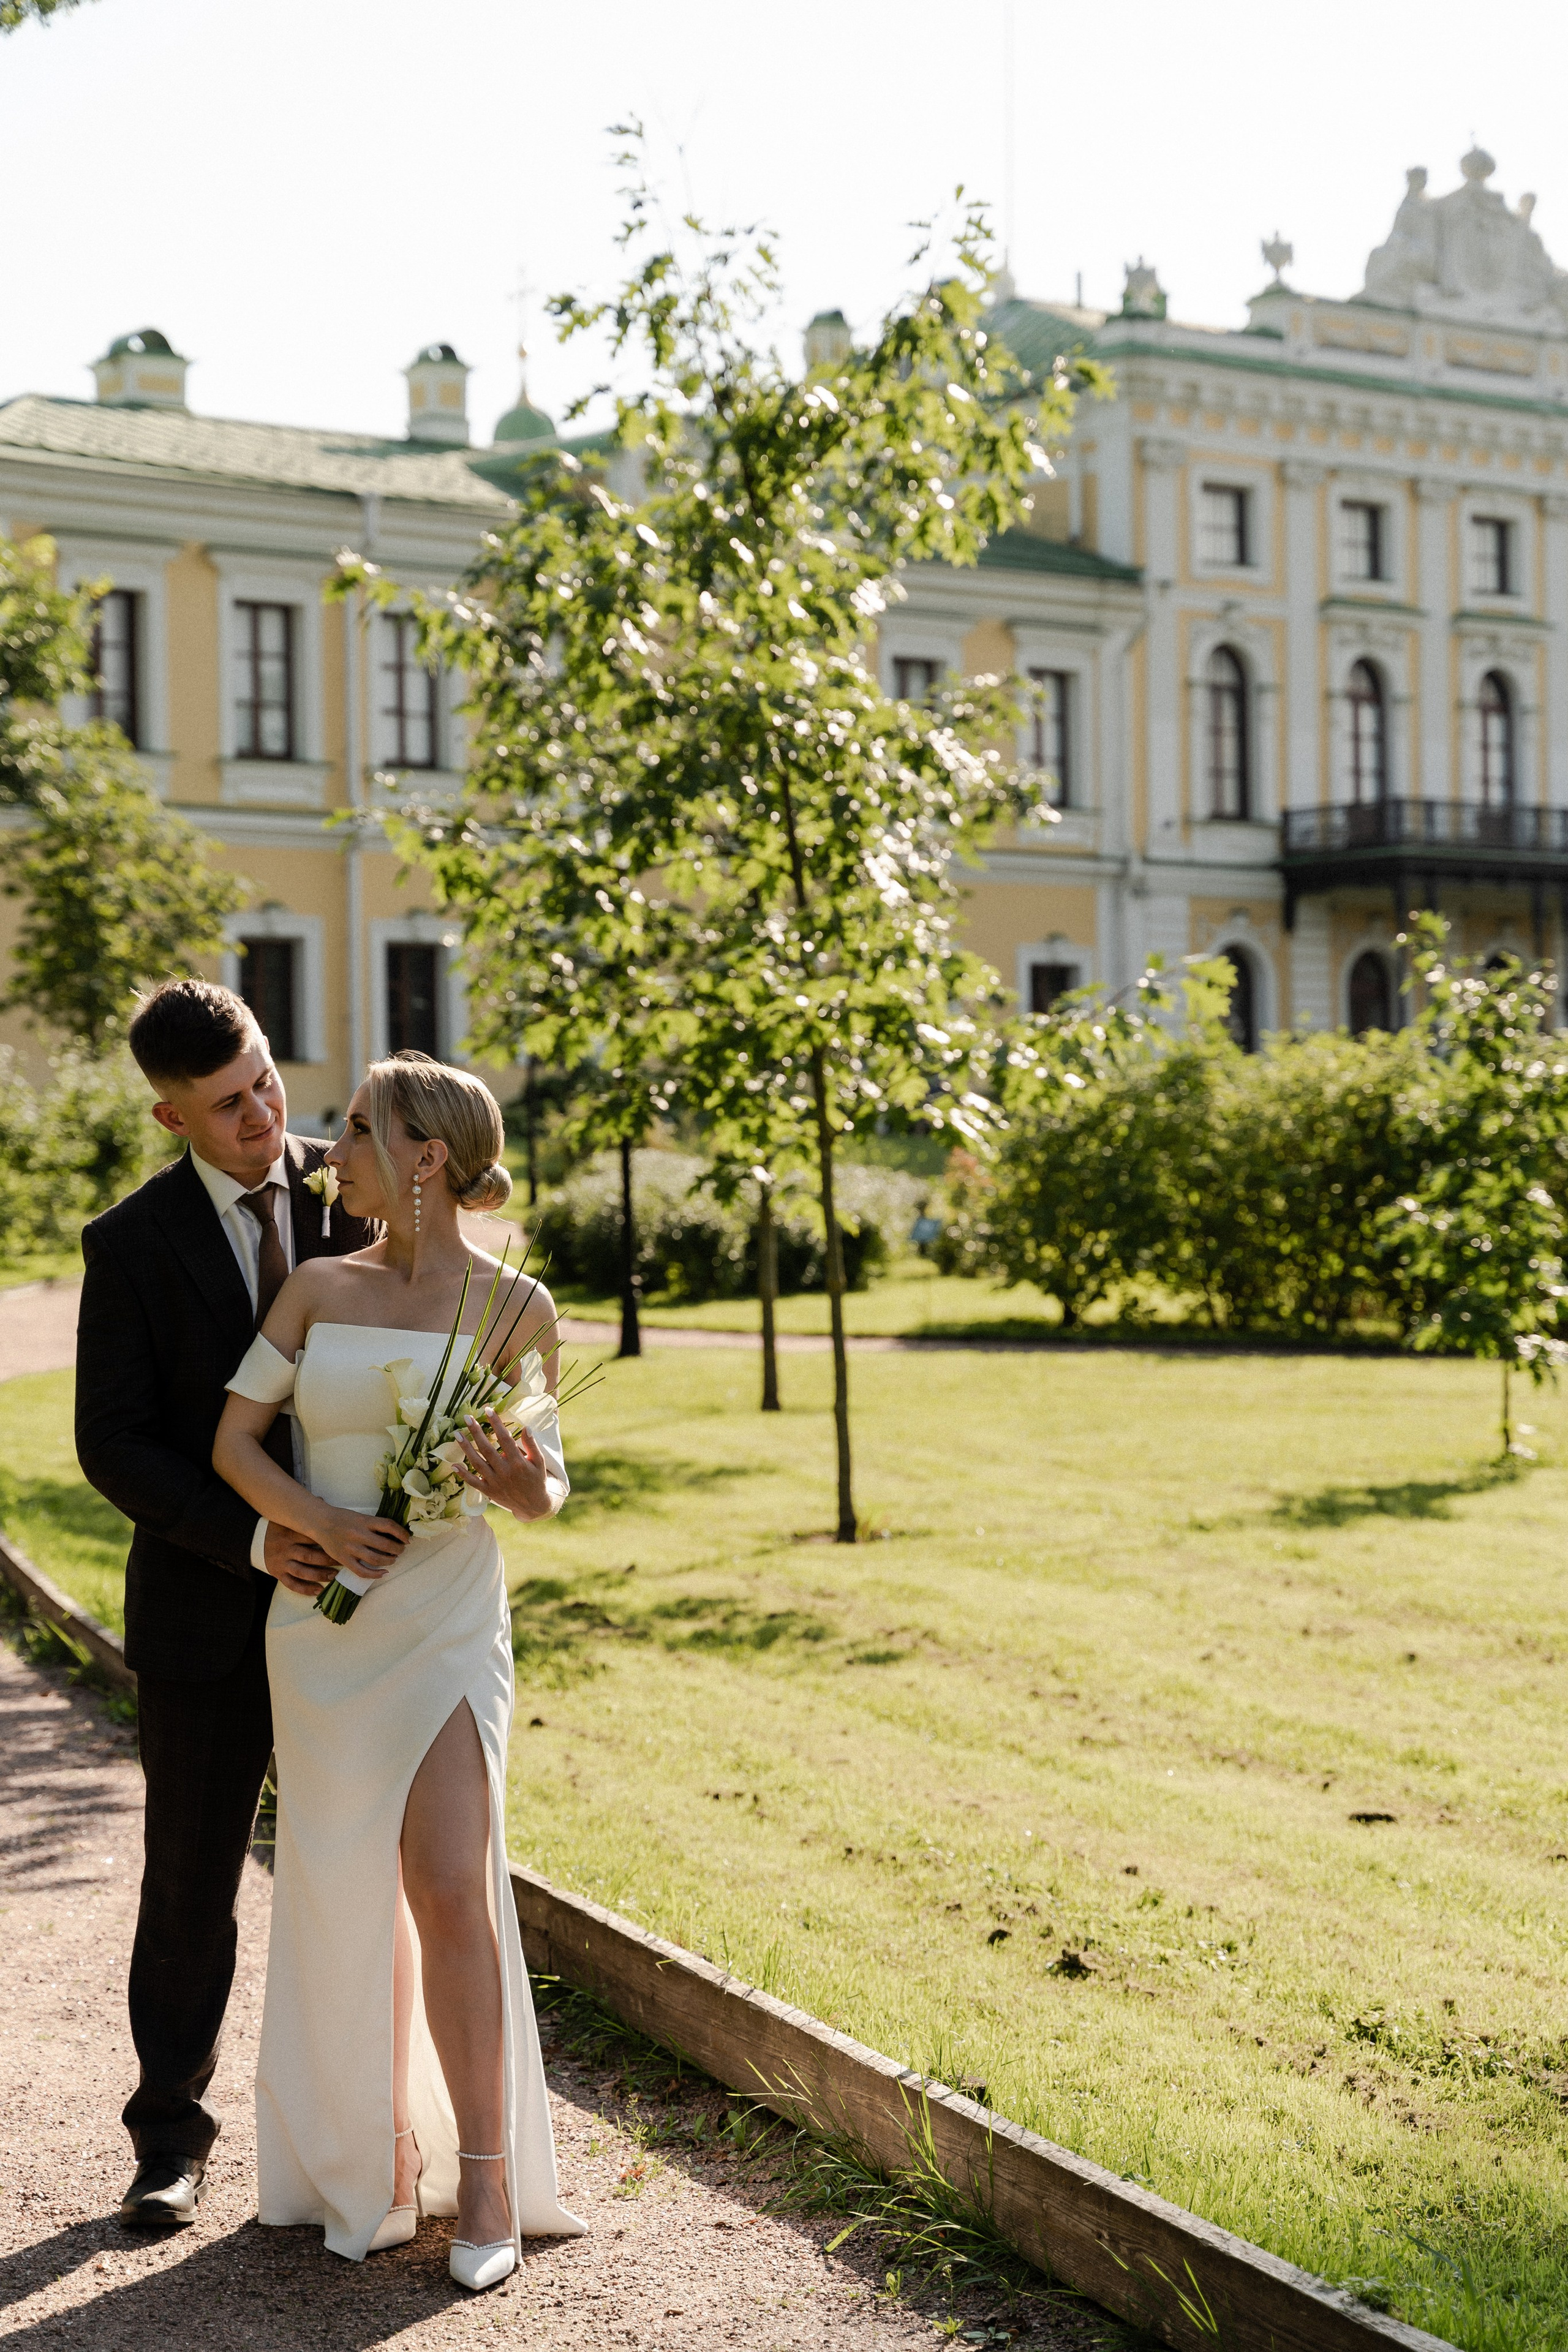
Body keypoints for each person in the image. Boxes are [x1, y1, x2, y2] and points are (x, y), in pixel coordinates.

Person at [212, 1050, 585, 2290]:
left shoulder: (515, 1309)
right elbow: (236, 1443)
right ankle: (364, 2156)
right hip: (323, 1631)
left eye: (359, 1131)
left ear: (427, 1156)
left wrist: (512, 1477)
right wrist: (307, 1528)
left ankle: (481, 2178)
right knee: (334, 1884)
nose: (334, 1151)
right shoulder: (316, 1288)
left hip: (445, 1625)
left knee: (446, 1881)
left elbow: (547, 1488)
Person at [75, 980, 378, 2230]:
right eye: (228, 1104)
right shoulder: (130, 1245)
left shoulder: (354, 1192)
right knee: (191, 1880)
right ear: (169, 1117)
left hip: (377, 1612)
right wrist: (255, 1539)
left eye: (263, 1079)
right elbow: (115, 1446)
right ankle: (169, 2140)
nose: (264, 1115)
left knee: (363, 1873)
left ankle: (363, 2137)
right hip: (209, 1612)